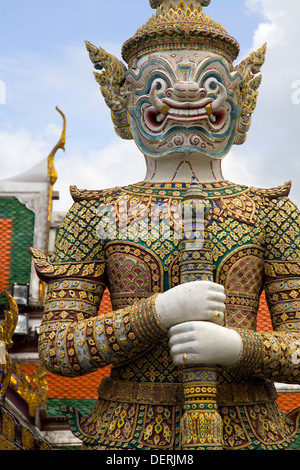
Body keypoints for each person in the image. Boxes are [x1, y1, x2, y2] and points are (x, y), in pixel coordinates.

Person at [30, 0, 300, 450]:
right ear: (124, 106)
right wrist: (157, 313)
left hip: (250, 431)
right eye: (160, 81)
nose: (188, 92)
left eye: (210, 81)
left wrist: (236, 347)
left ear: (240, 104)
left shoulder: (271, 213)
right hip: (128, 436)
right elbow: (59, 349)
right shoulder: (99, 212)